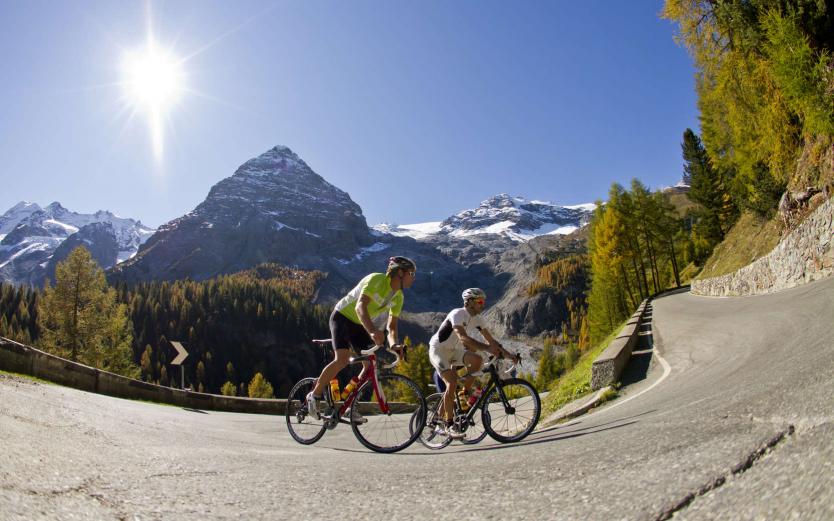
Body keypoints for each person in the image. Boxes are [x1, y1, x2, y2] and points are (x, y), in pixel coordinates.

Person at [306, 256, 417, 423]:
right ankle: (314, 395)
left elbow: (392, 326)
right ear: (400, 273)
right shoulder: (377, 280)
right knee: (342, 359)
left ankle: (350, 406)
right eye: (411, 273)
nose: (413, 278)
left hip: (359, 324)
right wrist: (372, 331)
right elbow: (360, 307)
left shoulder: (398, 296)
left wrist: (394, 344)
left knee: (369, 364)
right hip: (342, 316)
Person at [428, 288, 518, 438]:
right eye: (480, 302)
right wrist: (487, 348)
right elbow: (463, 338)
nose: (483, 305)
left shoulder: (478, 319)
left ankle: (464, 393)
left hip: (453, 351)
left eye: (483, 302)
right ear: (469, 302)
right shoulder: (457, 314)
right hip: (438, 350)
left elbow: (492, 341)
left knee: (477, 360)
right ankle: (448, 425)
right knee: (451, 382)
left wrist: (509, 356)